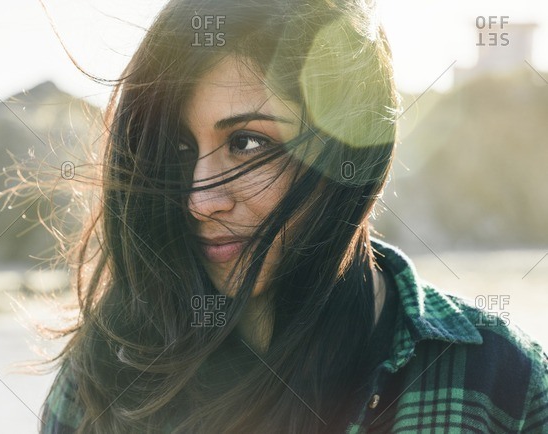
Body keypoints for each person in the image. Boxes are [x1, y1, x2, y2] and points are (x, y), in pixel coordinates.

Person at [36, 0, 548, 432]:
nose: (200, 199)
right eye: (177, 147)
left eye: (247, 143)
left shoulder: (496, 381)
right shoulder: (105, 375)